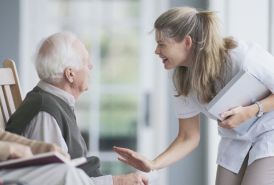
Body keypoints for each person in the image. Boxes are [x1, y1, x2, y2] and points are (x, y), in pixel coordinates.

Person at [113, 6, 274, 185]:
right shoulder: (178, 75)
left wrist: (252, 110)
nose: (156, 51)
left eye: (162, 44)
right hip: (236, 140)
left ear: (187, 42)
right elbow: (188, 136)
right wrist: (153, 164)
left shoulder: (242, 57)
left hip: (269, 133)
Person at [5, 32, 149, 185]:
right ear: (70, 74)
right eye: (85, 61)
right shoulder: (45, 113)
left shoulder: (56, 101)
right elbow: (59, 180)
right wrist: (117, 182)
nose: (91, 66)